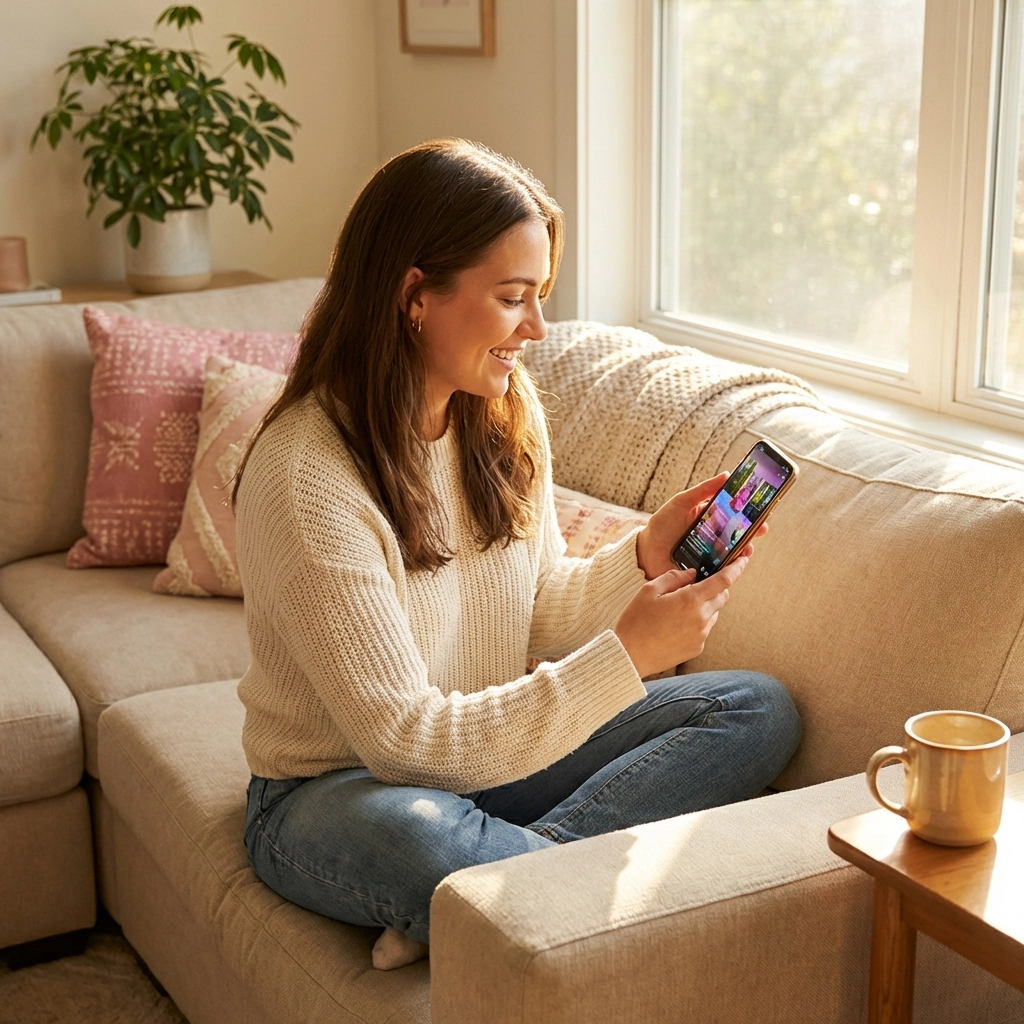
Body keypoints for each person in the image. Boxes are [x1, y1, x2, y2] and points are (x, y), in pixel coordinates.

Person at [233, 139, 801, 971]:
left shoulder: (497, 408)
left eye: (538, 297)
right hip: (339, 791)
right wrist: (629, 656)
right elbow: (404, 744)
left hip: (489, 761)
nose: (535, 329)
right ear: (415, 295)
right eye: (511, 299)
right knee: (422, 838)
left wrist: (643, 555)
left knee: (756, 707)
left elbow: (536, 605)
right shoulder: (306, 474)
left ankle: (492, 883)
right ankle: (474, 888)